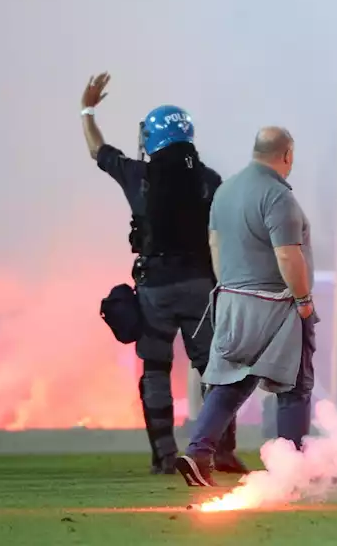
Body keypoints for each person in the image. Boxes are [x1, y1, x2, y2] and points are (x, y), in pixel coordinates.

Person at [79, 72, 246, 476]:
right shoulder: (210, 180)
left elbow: (98, 151)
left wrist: (87, 110)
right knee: (214, 370)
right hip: (202, 288)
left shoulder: (139, 176)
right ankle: (217, 450)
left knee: (155, 370)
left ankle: (165, 457)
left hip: (154, 288)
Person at [175, 127, 317, 488]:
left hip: (232, 300)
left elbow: (215, 244)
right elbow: (287, 254)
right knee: (294, 387)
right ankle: (292, 470)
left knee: (230, 383)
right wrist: (303, 301)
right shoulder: (277, 196)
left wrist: (231, 289)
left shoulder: (225, 191)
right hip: (276, 306)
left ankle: (198, 452)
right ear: (286, 155)